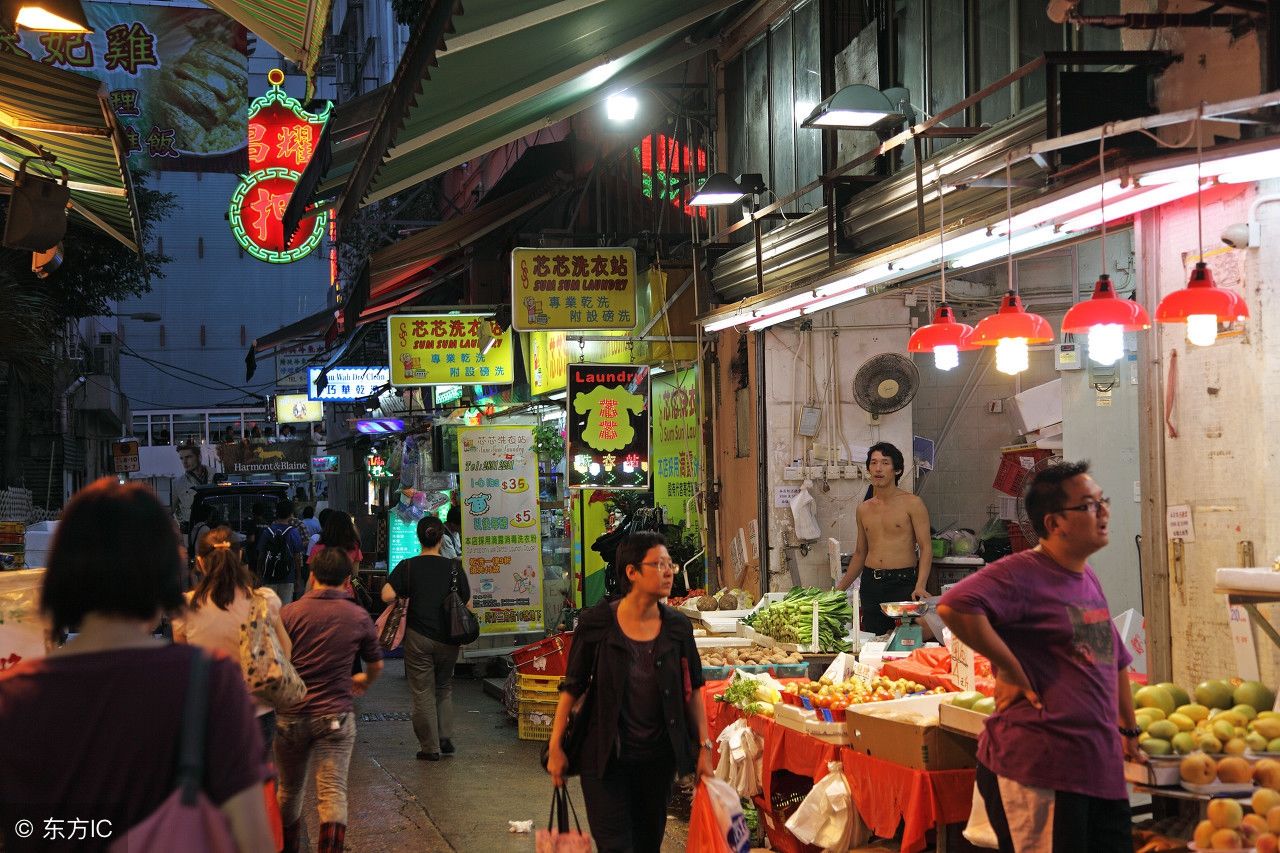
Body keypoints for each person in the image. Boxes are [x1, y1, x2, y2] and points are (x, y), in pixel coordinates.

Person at [0, 479, 272, 852]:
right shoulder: (207, 682)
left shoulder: (14, 695)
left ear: (62, 574)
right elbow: (252, 839)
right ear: (163, 572)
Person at [937, 461, 1137, 853]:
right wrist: (1011, 665)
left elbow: (1109, 658)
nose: (1105, 512)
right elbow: (954, 605)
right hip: (1040, 769)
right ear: (1055, 523)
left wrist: (1128, 729)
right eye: (1090, 505)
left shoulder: (1084, 577)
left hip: (1097, 768)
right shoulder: (1022, 572)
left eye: (1103, 501)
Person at [545, 531, 713, 853]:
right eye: (657, 564)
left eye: (670, 565)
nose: (667, 571)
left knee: (647, 845)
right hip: (605, 758)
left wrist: (704, 747)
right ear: (632, 572)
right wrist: (556, 747)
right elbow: (572, 686)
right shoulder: (597, 623)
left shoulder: (678, 627)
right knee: (616, 847)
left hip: (657, 761)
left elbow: (694, 688)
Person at [275, 548, 383, 853]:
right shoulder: (358, 615)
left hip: (291, 715)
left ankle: (287, 847)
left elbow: (279, 660)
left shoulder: (289, 612)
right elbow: (375, 665)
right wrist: (363, 680)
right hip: (335, 715)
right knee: (332, 791)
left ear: (312, 576)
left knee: (290, 789)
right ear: (347, 579)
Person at [173, 525, 291, 759]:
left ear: (200, 561)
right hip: (259, 712)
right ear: (239, 556)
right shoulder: (264, 599)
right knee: (253, 781)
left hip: (208, 713)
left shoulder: (186, 606)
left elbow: (182, 664)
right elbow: (286, 649)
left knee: (214, 786)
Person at [381, 517, 470, 761]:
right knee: (444, 686)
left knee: (422, 691)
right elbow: (468, 603)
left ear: (419, 538)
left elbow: (386, 594)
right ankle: (445, 737)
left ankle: (430, 748)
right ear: (441, 539)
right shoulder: (454, 568)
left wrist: (407, 596)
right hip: (449, 638)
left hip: (418, 638)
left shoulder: (408, 566)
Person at [834, 441, 933, 635]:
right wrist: (838, 590)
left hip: (903, 583)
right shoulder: (864, 508)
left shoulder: (913, 503)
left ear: (897, 470)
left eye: (885, 463)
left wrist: (920, 585)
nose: (878, 468)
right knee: (873, 641)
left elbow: (926, 547)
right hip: (871, 583)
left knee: (906, 641)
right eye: (873, 462)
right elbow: (861, 553)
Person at [258, 499, 304, 604]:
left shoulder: (267, 531)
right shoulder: (293, 532)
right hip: (287, 576)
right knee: (285, 609)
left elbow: (261, 555)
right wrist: (298, 577)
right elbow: (297, 556)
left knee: (269, 610)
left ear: (276, 513)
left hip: (268, 576)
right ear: (291, 514)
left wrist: (259, 574)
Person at [171, 441, 210, 529]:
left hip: (214, 530)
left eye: (188, 457)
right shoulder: (177, 483)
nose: (184, 462)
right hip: (191, 532)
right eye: (181, 458)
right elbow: (172, 510)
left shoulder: (214, 475)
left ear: (199, 457)